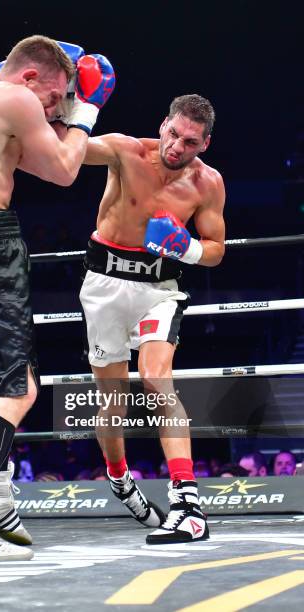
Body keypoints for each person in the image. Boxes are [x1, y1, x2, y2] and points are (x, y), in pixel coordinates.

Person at [0, 35, 114, 564]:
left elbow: (34, 157)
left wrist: (64, 102)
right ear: (30, 80)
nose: (54, 110)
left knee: (14, 378)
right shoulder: (16, 98)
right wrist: (88, 107)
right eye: (53, 97)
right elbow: (61, 170)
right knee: (17, 389)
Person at [79, 94, 225, 543]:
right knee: (112, 400)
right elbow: (65, 153)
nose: (178, 146)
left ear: (205, 144)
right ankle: (119, 475)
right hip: (104, 283)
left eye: (191, 141)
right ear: (163, 124)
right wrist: (79, 108)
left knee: (157, 379)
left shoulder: (208, 184)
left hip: (160, 290)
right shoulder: (125, 152)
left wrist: (189, 248)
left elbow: (216, 249)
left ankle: (187, 504)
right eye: (174, 133)